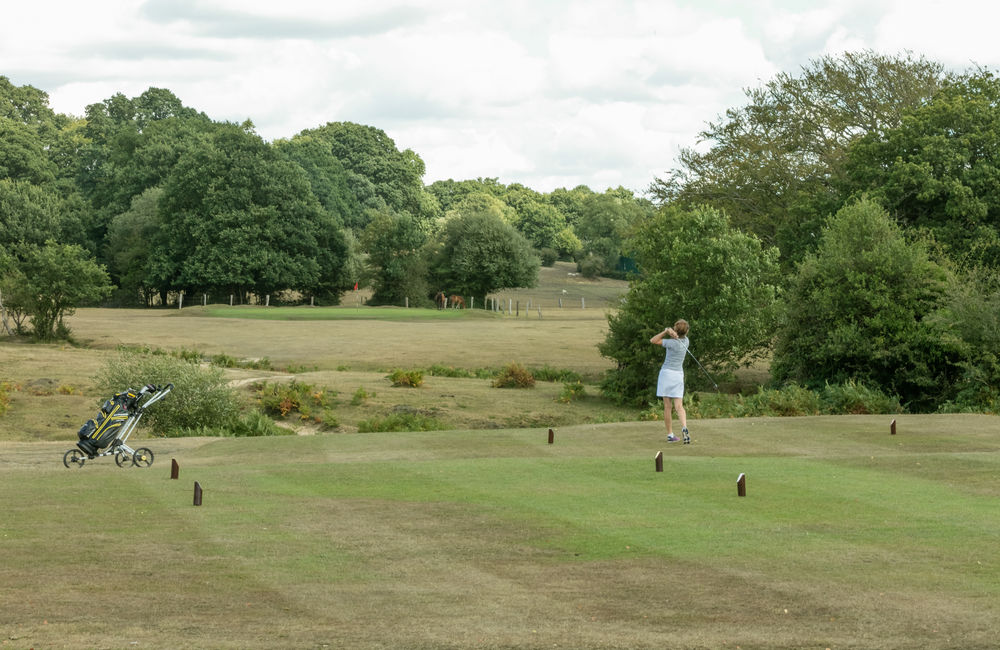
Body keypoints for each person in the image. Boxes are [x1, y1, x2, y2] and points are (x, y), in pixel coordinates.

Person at [649, 319, 690, 443]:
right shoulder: (686, 342)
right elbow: (680, 336)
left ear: (675, 330)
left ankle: (670, 435)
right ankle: (684, 427)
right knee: (679, 406)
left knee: (667, 406)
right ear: (686, 331)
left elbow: (653, 340)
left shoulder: (670, 343)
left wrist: (666, 331)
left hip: (666, 374)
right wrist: (672, 333)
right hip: (677, 375)